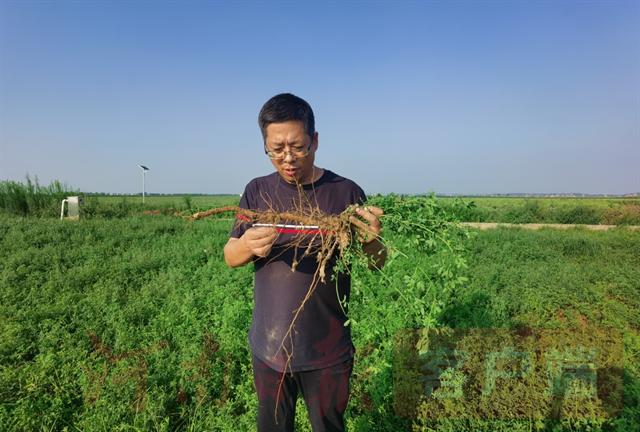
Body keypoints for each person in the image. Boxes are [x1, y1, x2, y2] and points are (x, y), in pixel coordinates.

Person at [223, 93, 386, 432]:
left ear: (315, 140)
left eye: (298, 147)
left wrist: (372, 240)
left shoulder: (346, 193)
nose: (288, 158)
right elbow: (230, 255)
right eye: (276, 149)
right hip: (270, 349)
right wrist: (248, 245)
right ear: (265, 146)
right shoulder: (256, 192)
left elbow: (377, 263)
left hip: (328, 350)